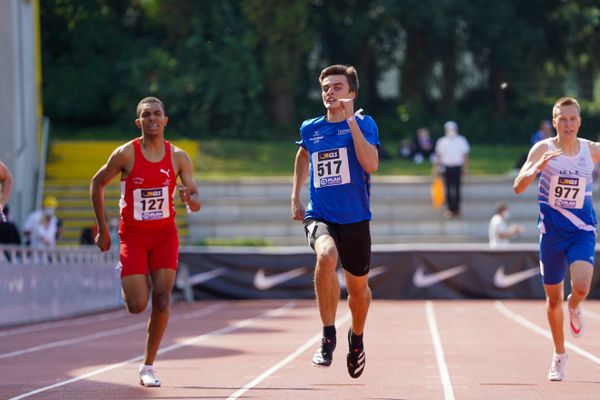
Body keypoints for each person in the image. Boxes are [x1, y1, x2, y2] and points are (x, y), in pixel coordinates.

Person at [90, 96, 201, 387]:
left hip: (165, 235)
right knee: (138, 305)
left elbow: (196, 200)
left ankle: (148, 366)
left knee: (163, 299)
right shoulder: (125, 154)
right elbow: (96, 183)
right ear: (139, 122)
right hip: (134, 236)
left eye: (157, 114)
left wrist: (189, 198)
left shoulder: (178, 156)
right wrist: (102, 230)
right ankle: (130, 272)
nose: (152, 119)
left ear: (165, 120)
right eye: (146, 115)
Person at [291, 64, 380, 379]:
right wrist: (295, 197)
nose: (330, 92)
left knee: (359, 290)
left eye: (337, 87)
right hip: (321, 215)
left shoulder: (365, 124)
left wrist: (351, 119)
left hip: (355, 219)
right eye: (326, 87)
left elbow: (371, 164)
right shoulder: (310, 129)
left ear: (351, 93)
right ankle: (328, 335)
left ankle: (356, 337)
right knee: (326, 255)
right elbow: (303, 156)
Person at [514, 96, 598, 381]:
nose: (568, 124)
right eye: (562, 119)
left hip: (582, 231)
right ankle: (559, 354)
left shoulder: (590, 151)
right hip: (551, 235)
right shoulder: (543, 148)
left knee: (582, 286)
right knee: (552, 300)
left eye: (573, 119)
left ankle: (575, 306)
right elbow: (518, 186)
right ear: (554, 122)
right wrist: (536, 167)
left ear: (579, 122)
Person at [433, 121, 470, 218]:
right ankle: (449, 209)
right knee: (448, 189)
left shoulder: (461, 140)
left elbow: (465, 156)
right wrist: (436, 168)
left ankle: (457, 209)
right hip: (446, 168)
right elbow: (439, 156)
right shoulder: (442, 141)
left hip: (457, 167)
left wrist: (465, 168)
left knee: (457, 189)